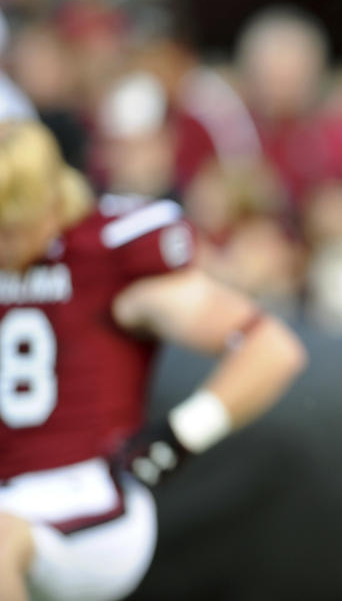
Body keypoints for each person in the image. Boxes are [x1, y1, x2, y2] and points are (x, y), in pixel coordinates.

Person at [0, 120, 306, 601]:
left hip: (88, 491)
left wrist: (180, 434)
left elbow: (271, 349)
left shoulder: (104, 257)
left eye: (9, 230)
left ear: (51, 202)